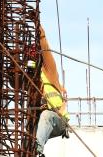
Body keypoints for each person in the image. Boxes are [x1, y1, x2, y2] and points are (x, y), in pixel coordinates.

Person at [35, 27, 70, 156]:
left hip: (59, 120)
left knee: (46, 116)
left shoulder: (49, 73)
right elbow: (14, 81)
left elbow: (45, 51)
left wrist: (40, 32)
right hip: (42, 124)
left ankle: (37, 151)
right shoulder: (31, 82)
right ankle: (32, 150)